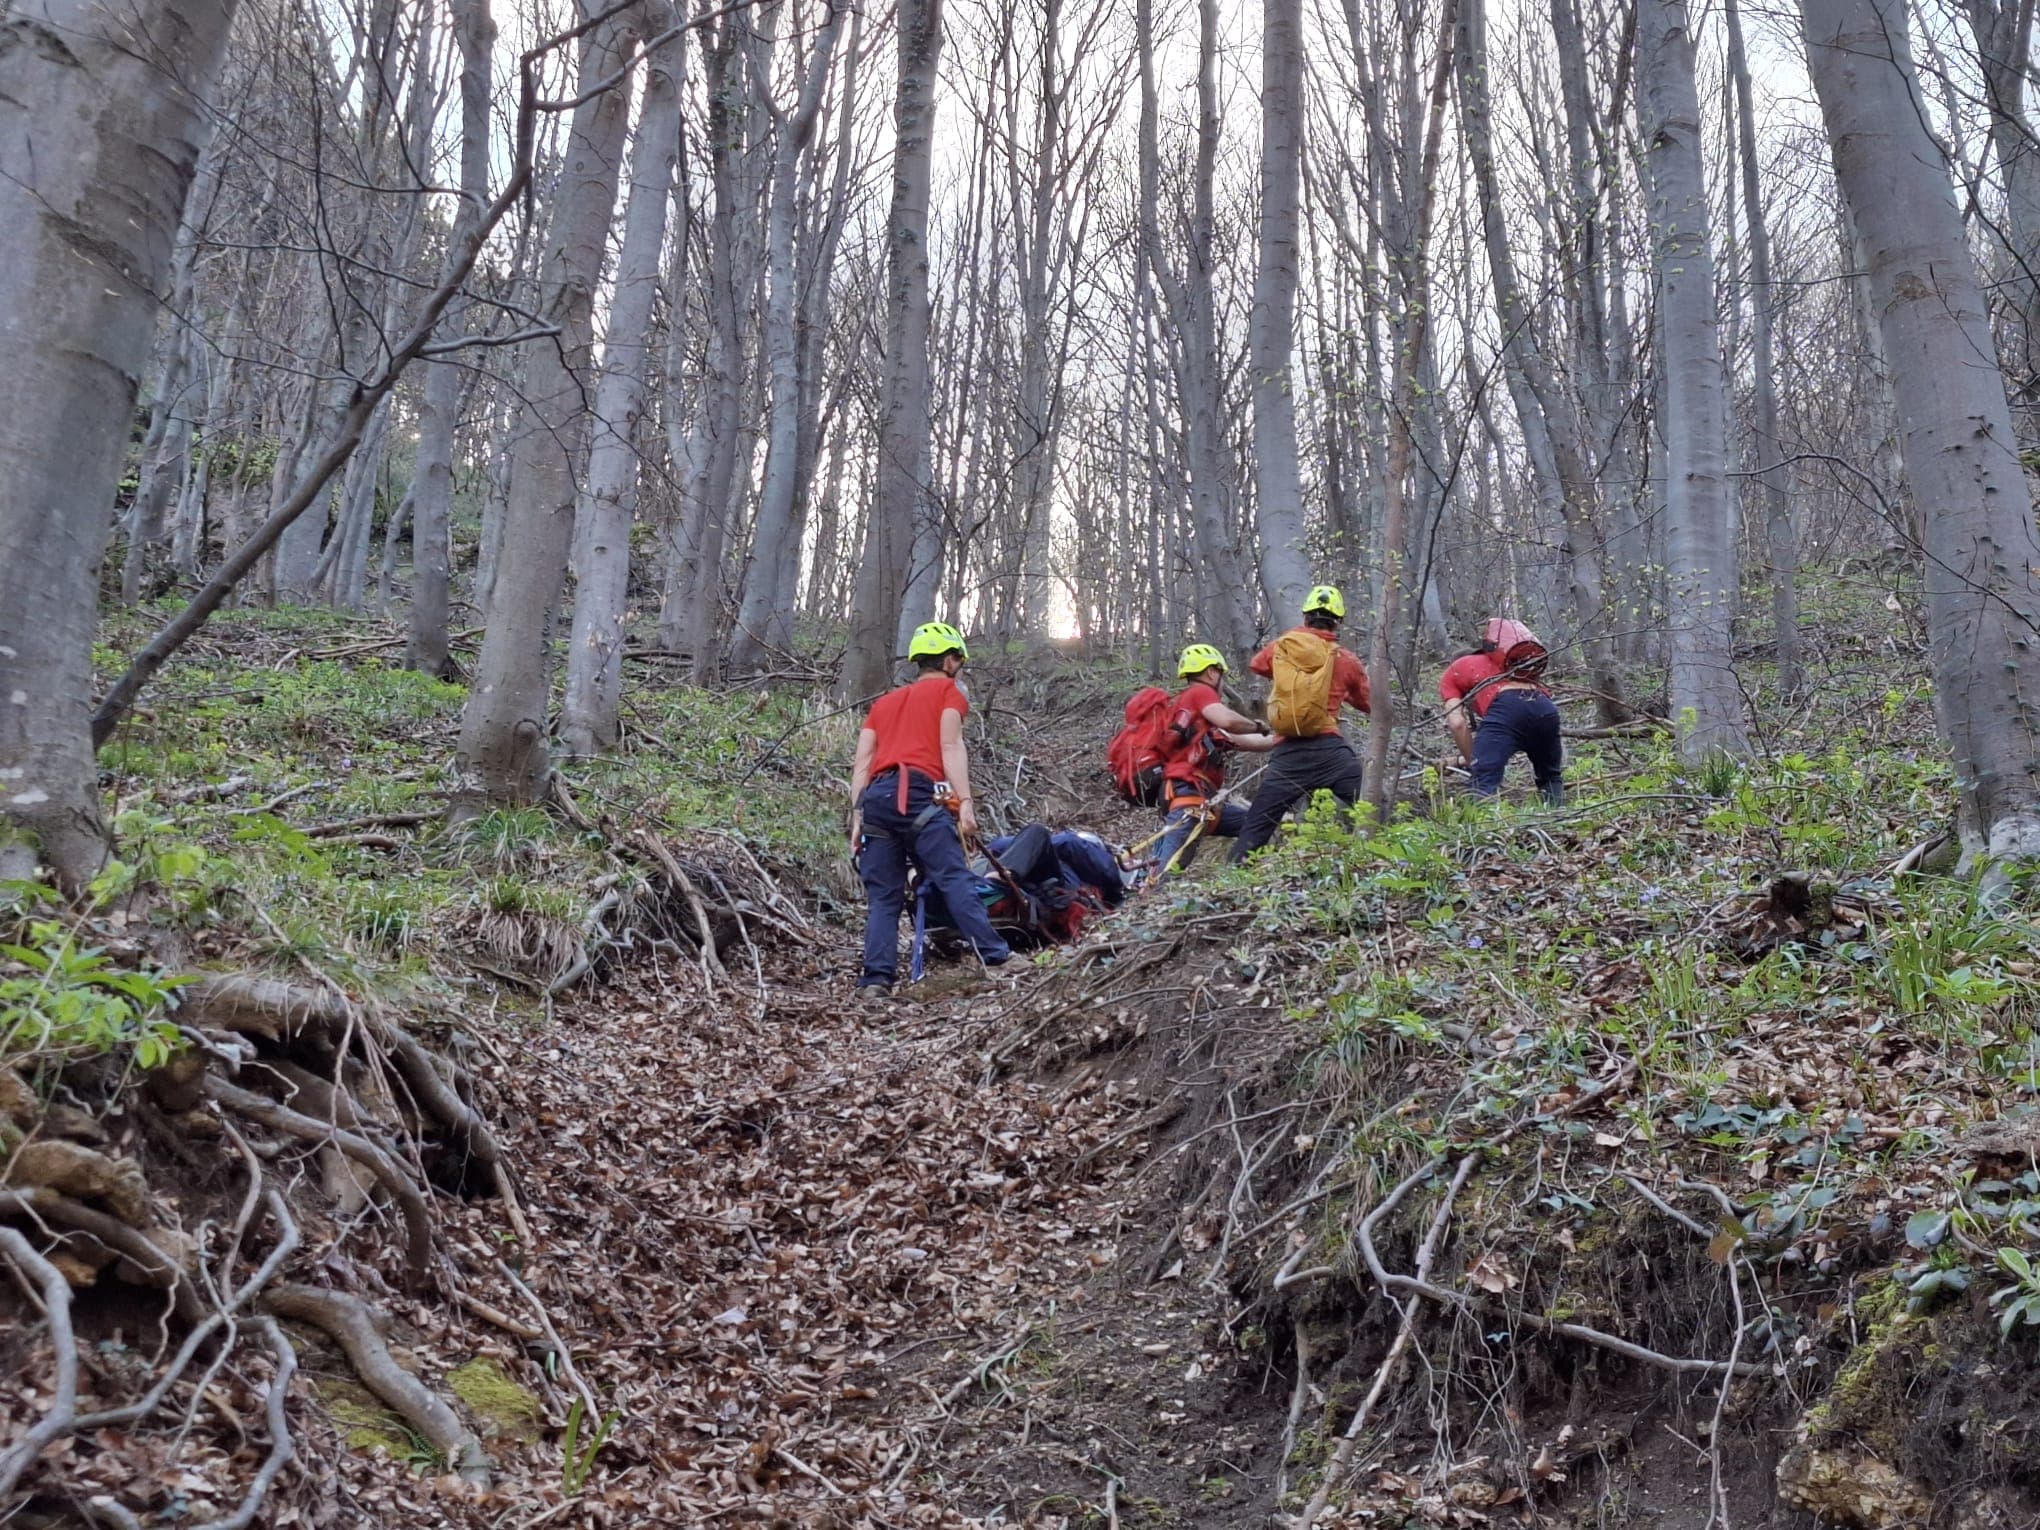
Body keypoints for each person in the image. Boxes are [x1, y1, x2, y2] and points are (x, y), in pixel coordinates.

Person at [847, 622, 1012, 998]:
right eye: (959, 660)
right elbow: (950, 746)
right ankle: (996, 957)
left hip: (877, 800)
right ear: (950, 660)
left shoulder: (883, 703)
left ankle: (876, 980)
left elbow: (862, 765)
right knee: (954, 878)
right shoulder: (948, 692)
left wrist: (858, 817)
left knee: (884, 898)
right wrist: (965, 802)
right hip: (921, 795)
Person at [1229, 585, 1372, 863]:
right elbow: (1369, 704)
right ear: (1338, 622)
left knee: (1256, 827)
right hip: (1330, 752)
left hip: (1287, 755)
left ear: (1306, 617)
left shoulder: (1283, 647)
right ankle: (1392, 857)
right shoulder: (1346, 659)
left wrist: (1290, 679)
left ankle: (1231, 873)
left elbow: (1257, 665)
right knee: (1371, 807)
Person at [1153, 644, 1277, 874]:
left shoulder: (1199, 725)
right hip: (1187, 799)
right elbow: (1229, 722)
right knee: (1167, 871)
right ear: (1211, 672)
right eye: (1221, 675)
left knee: (1254, 824)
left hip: (1202, 803)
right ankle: (1144, 902)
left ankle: (1235, 876)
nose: (1222, 683)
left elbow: (1247, 741)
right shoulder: (1199, 692)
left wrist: (1285, 739)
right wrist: (1258, 725)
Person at [1439, 617, 1565, 806]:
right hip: (1544, 707)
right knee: (1550, 777)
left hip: (1507, 708)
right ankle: (1558, 820)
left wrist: (1473, 762)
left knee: (1483, 780)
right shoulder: (1511, 666)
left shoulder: (1454, 671)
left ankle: (1482, 830)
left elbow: (1457, 723)